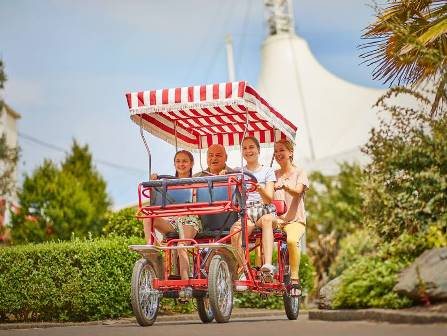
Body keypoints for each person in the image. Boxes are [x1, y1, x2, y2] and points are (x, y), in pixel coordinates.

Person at [144, 150, 202, 301]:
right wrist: (154, 183)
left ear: (191, 164)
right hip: (172, 221)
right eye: (178, 161)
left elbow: (199, 203)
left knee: (181, 245)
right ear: (174, 163)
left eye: (185, 161)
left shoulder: (197, 182)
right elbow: (156, 203)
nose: (181, 164)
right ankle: (152, 249)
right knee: (148, 216)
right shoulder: (166, 184)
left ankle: (185, 283)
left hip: (190, 219)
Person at [230, 136, 277, 282]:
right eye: (244, 148)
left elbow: (269, 198)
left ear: (258, 150)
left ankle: (268, 266)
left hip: (265, 209)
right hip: (247, 212)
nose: (248, 151)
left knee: (268, 220)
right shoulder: (238, 172)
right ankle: (244, 269)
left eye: (251, 147)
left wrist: (260, 189)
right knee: (236, 230)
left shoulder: (268, 171)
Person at [273, 139, 309, 296]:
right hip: (278, 220)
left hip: (295, 221)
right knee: (255, 233)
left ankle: (295, 280)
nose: (278, 154)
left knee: (292, 241)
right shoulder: (273, 174)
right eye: (276, 151)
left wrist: (286, 186)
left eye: (282, 150)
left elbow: (298, 191)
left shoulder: (300, 172)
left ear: (290, 153)